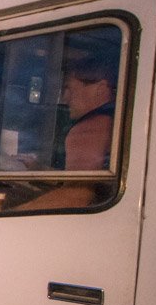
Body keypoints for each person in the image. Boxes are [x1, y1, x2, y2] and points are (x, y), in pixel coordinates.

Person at [18, 54, 118, 211]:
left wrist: (12, 213)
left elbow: (76, 196)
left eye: (70, 88)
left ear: (100, 89)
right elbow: (91, 182)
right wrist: (39, 168)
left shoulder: (90, 128)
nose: (65, 98)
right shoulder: (115, 121)